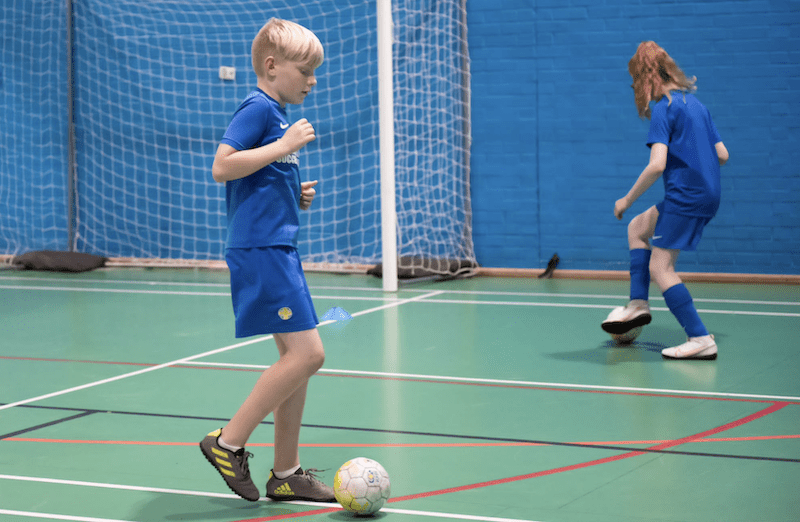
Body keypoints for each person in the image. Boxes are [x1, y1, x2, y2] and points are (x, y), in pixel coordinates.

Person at [199, 18, 335, 502]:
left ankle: (286, 472)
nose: (312, 80)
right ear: (272, 66)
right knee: (309, 354)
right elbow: (222, 166)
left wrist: (289, 193)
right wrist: (282, 147)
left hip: (278, 244)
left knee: (295, 361)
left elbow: (254, 176)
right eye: (306, 69)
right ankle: (227, 442)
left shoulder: (277, 116)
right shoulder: (259, 108)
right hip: (261, 249)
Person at [602, 41, 729, 360]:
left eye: (637, 82)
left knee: (661, 266)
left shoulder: (665, 107)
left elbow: (657, 165)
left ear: (649, 78)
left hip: (685, 196)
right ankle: (637, 304)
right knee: (638, 229)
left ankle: (700, 338)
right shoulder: (696, 105)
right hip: (707, 195)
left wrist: (626, 198)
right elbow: (723, 155)